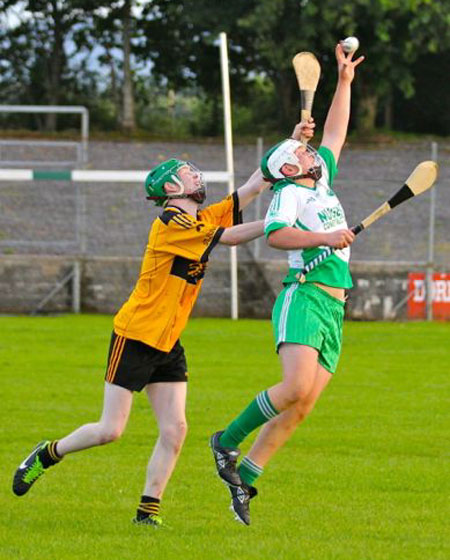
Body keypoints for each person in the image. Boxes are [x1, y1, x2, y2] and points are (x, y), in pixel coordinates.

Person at [12, 122, 314, 527]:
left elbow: (256, 183)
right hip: (136, 336)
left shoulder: (200, 218)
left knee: (176, 429)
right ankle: (48, 453)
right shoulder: (173, 224)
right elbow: (230, 237)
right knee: (110, 430)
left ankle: (146, 514)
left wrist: (293, 146)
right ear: (171, 188)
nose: (195, 174)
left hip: (168, 340)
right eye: (187, 172)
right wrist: (281, 221)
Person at [210, 43, 364, 525]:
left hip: (334, 306)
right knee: (294, 385)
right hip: (305, 295)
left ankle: (246, 482)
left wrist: (344, 82)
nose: (308, 144)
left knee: (302, 405)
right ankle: (225, 442)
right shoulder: (290, 192)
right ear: (289, 169)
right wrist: (324, 236)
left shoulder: (321, 181)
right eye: (298, 149)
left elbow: (336, 132)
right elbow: (276, 236)